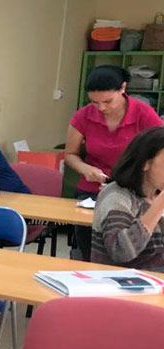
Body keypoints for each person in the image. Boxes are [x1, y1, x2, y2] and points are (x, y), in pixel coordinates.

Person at [65, 65, 162, 260]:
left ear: (123, 88)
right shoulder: (84, 115)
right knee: (94, 251)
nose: (101, 108)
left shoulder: (143, 113)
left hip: (137, 190)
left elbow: (158, 147)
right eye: (95, 102)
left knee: (142, 248)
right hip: (92, 191)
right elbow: (70, 154)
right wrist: (86, 169)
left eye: (108, 101)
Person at [91, 126, 164, 271]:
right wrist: (160, 204)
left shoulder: (156, 192)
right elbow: (120, 252)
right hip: (121, 284)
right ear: (145, 163)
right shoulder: (117, 196)